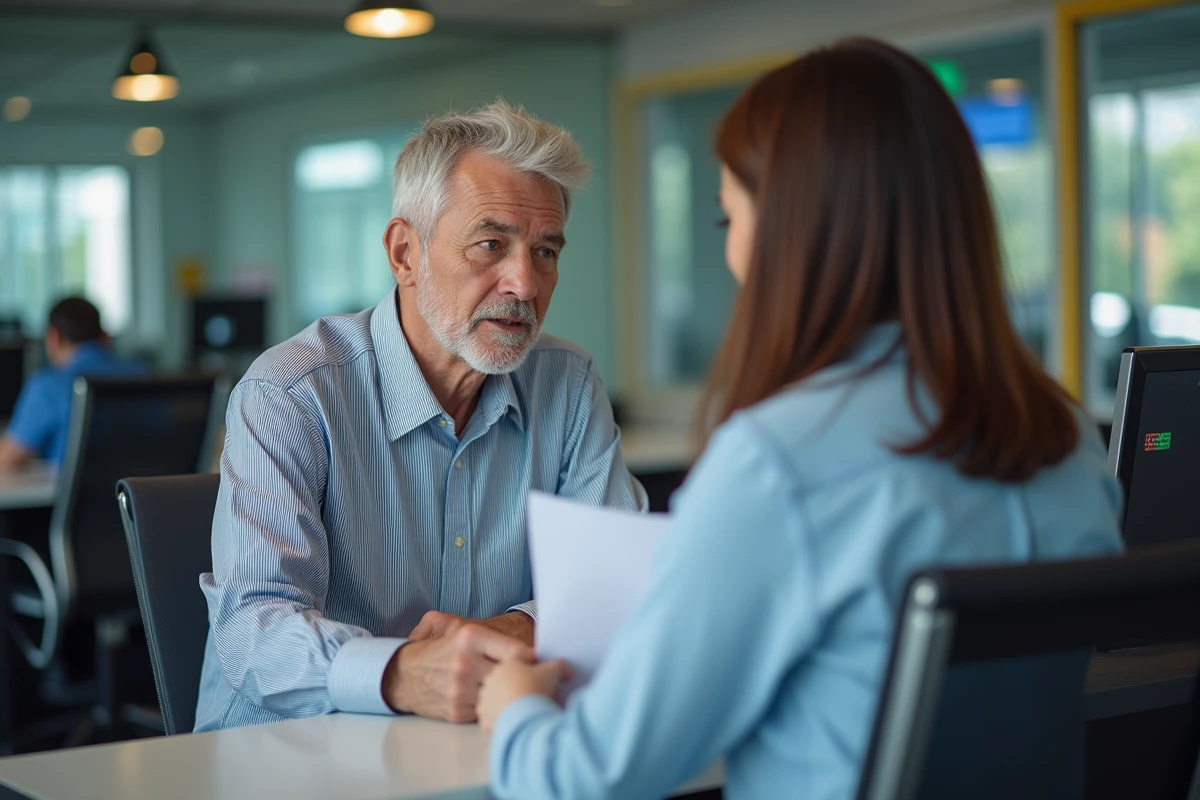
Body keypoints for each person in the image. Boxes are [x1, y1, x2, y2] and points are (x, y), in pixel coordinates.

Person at [477, 39, 1124, 799]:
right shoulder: (1067, 440)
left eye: (730, 222)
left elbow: (588, 779)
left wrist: (513, 708)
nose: (734, 257)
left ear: (793, 232)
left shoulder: (778, 465)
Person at [195, 102, 647, 732]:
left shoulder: (567, 386)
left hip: (474, 749)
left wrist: (515, 629)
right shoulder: (291, 393)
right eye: (491, 244)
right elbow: (253, 634)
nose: (524, 283)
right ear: (405, 252)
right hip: (289, 759)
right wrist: (403, 671)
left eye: (545, 252)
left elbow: (622, 584)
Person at [0, 297, 144, 472]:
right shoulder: (144, 376)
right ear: (103, 336)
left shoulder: (48, 387)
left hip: (76, 498)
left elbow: (7, 459)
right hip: (137, 497)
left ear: (54, 337)